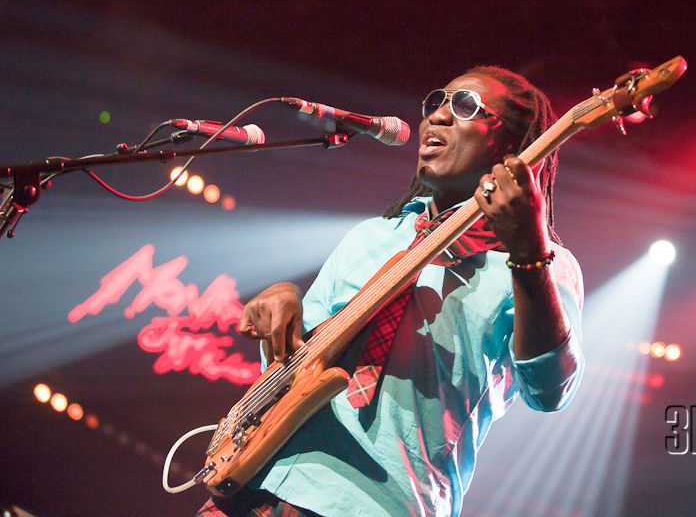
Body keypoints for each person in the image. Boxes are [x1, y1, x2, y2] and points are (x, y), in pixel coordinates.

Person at [196, 66, 584, 517]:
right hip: (255, 480)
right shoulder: (371, 235)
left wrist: (528, 252)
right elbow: (288, 371)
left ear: (512, 148)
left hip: (372, 505)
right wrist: (282, 309)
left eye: (463, 107)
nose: (438, 115)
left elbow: (550, 391)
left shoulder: (541, 263)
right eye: (436, 101)